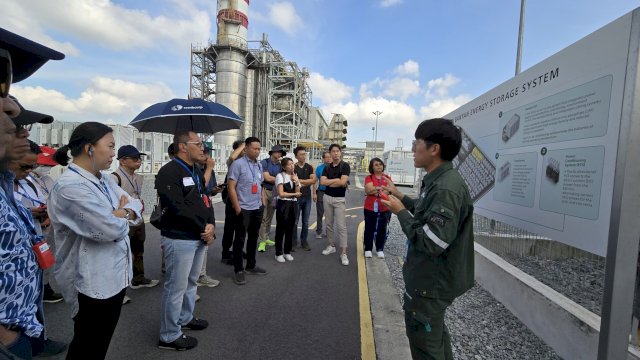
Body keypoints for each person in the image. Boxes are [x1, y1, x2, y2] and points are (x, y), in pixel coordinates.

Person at [380, 118, 474, 360]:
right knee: (435, 337)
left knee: (425, 345)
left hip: (430, 284)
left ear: (434, 149)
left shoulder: (445, 188)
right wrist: (400, 195)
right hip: (429, 282)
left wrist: (400, 211)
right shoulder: (439, 181)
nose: (412, 149)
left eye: (417, 142)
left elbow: (432, 241)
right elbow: (425, 212)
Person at [48, 122, 143, 360]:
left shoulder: (103, 180)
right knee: (87, 346)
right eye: (110, 146)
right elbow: (109, 229)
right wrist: (122, 214)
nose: (114, 152)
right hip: (92, 284)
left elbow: (136, 204)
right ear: (90, 148)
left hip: (114, 277)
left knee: (99, 345)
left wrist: (124, 211)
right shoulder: (70, 187)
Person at [0, 30, 65, 360]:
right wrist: (6, 341)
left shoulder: (6, 187)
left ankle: (38, 337)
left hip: (23, 323)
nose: (12, 108)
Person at [155, 130, 215, 351]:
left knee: (191, 282)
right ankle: (169, 335)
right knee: (176, 287)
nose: (203, 148)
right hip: (180, 237)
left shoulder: (195, 170)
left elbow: (205, 199)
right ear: (182, 146)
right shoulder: (169, 172)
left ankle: (185, 319)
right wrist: (203, 227)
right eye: (198, 144)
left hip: (197, 236)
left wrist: (211, 225)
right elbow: (176, 207)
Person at [11, 140, 63, 303]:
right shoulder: (10, 183)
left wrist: (45, 212)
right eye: (25, 166)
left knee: (41, 264)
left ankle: (41, 291)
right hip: (18, 241)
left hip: (38, 231)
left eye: (32, 166)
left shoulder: (29, 180)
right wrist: (28, 212)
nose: (29, 171)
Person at [111, 145, 159, 306]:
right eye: (134, 158)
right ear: (123, 160)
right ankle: (117, 290)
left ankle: (138, 278)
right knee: (121, 254)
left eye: (140, 158)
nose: (139, 161)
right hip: (123, 221)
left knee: (138, 249)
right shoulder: (114, 178)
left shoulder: (139, 178)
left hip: (137, 219)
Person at [227, 137, 268, 285]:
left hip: (256, 207)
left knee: (253, 238)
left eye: (259, 149)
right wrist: (238, 209)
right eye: (255, 148)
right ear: (246, 149)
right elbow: (231, 187)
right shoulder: (237, 165)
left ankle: (251, 265)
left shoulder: (259, 165)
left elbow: (260, 185)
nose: (257, 151)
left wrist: (262, 204)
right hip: (243, 209)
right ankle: (239, 270)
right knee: (239, 239)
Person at [194, 146, 221, 288]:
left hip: (207, 205)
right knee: (198, 240)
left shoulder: (210, 170)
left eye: (208, 154)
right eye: (204, 154)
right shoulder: (193, 170)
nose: (208, 157)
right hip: (197, 208)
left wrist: (215, 190)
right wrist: (209, 169)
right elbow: (199, 187)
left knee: (206, 240)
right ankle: (197, 276)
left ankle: (201, 274)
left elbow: (208, 189)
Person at [320, 144, 351, 266]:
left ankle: (344, 253)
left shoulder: (345, 166)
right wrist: (337, 181)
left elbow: (343, 181)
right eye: (333, 151)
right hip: (327, 197)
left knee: (341, 226)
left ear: (340, 152)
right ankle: (331, 245)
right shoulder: (326, 167)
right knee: (328, 224)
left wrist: (332, 182)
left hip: (339, 199)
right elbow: (322, 182)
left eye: (338, 151)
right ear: (330, 153)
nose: (336, 153)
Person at [221, 139, 245, 265]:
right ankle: (225, 253)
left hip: (244, 200)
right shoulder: (233, 163)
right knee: (229, 227)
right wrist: (244, 145)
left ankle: (238, 251)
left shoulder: (246, 163)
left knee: (241, 227)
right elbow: (232, 157)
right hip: (232, 199)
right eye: (243, 149)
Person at [258, 144, 286, 252]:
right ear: (272, 153)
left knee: (269, 217)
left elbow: (284, 177)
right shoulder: (264, 162)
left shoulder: (280, 165)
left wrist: (280, 179)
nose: (279, 154)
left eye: (280, 152)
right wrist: (279, 180)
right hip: (264, 191)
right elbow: (267, 178)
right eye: (277, 152)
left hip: (275, 192)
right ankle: (262, 241)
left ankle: (266, 237)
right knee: (263, 218)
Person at [363, 158, 392, 259]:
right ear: (372, 167)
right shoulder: (369, 177)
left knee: (382, 228)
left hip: (385, 207)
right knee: (369, 228)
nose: (379, 166)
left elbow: (389, 191)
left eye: (380, 164)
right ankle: (368, 249)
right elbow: (368, 190)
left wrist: (374, 189)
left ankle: (380, 249)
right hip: (370, 207)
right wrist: (381, 189)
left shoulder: (387, 178)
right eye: (376, 164)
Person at [274, 158, 302, 262]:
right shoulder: (280, 176)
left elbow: (298, 191)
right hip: (283, 204)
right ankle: (278, 253)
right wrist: (295, 194)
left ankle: (287, 252)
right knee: (281, 229)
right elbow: (281, 193)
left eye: (292, 164)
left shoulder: (294, 176)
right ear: (284, 167)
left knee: (290, 228)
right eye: (289, 164)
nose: (292, 166)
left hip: (293, 204)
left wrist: (297, 181)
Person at [291, 146, 315, 251]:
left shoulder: (310, 167)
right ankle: (293, 242)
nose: (303, 156)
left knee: (305, 222)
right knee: (295, 221)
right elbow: (293, 181)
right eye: (301, 154)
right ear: (296, 156)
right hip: (296, 197)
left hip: (307, 197)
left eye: (304, 154)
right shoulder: (293, 168)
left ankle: (304, 241)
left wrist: (299, 181)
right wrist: (306, 181)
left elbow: (313, 181)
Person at [314, 151, 331, 239]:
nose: (328, 159)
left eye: (330, 157)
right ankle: (319, 232)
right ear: (323, 158)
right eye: (326, 157)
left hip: (331, 192)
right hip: (321, 192)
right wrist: (314, 193)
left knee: (330, 214)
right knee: (320, 213)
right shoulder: (319, 168)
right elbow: (315, 181)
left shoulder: (334, 168)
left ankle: (329, 233)